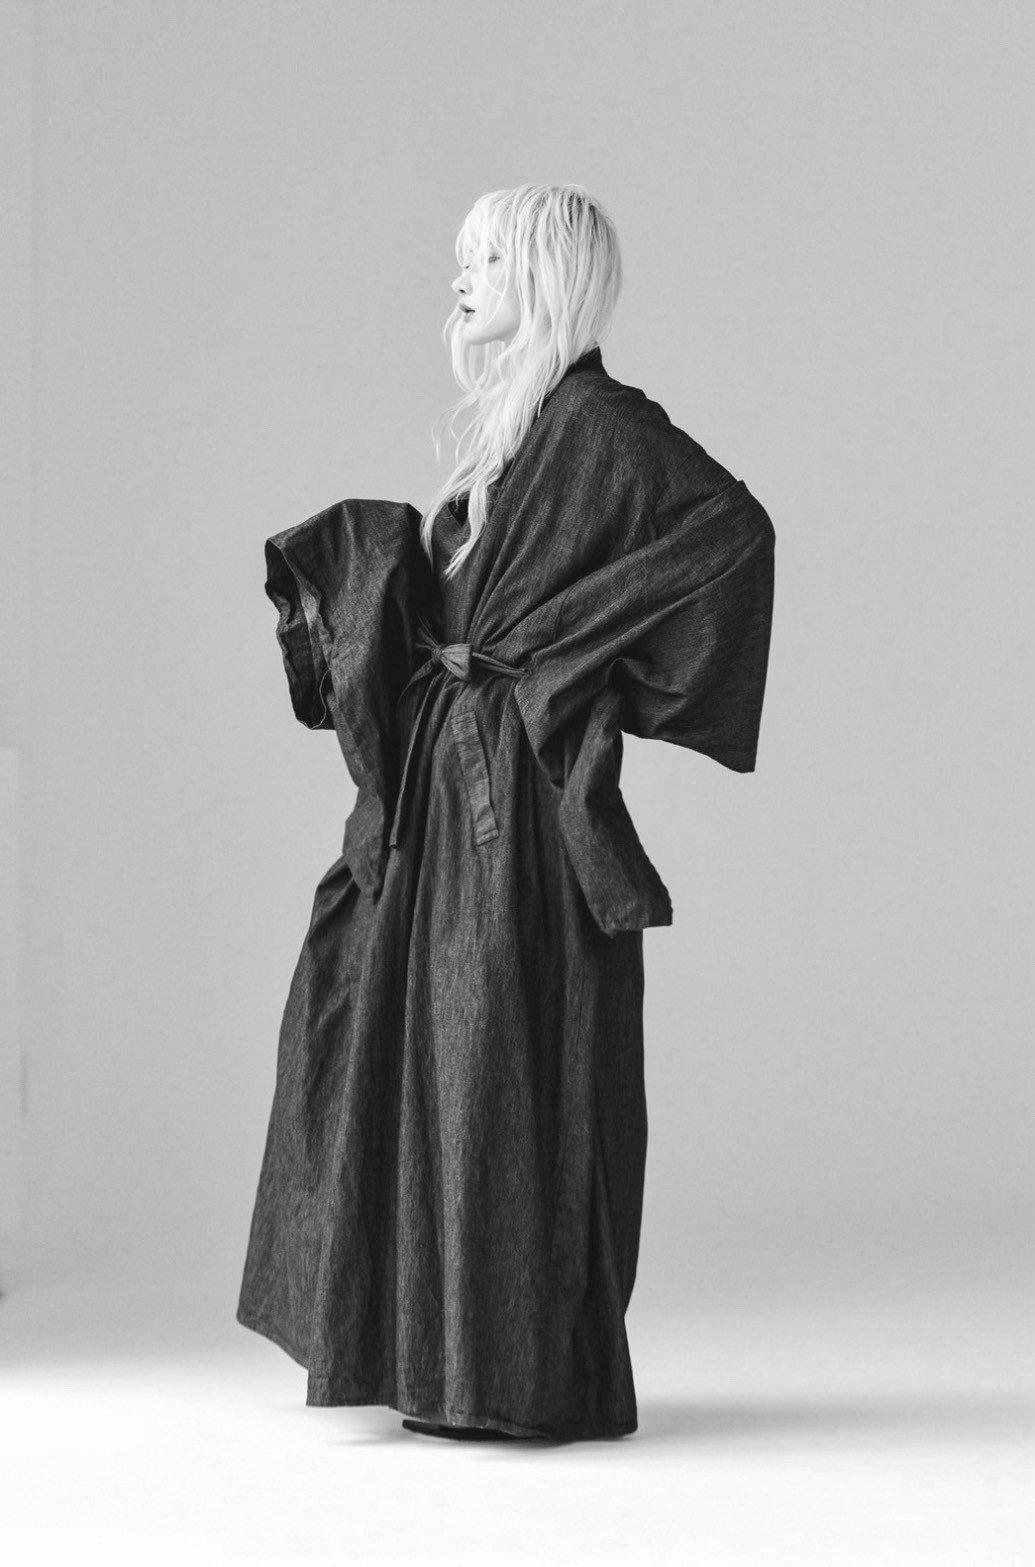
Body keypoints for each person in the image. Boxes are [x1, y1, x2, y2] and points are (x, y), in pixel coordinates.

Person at [236, 182, 776, 1444]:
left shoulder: (600, 424)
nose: (460, 280)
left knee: (501, 1060)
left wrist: (566, 655)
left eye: (483, 259)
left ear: (541, 273)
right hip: (442, 788)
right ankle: (438, 1357)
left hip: (516, 808)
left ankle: (513, 1372)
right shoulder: (516, 432)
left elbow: (732, 536)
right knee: (422, 1054)